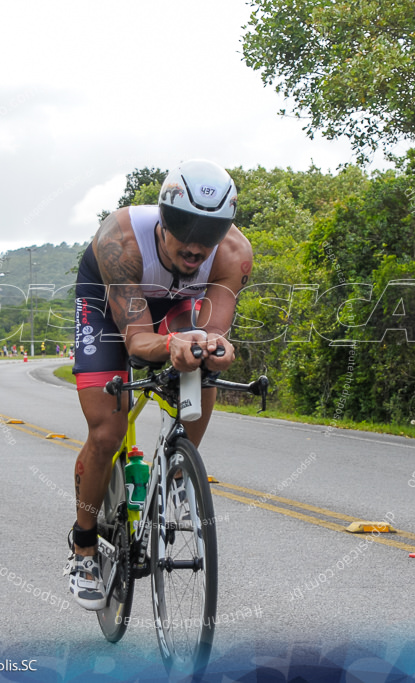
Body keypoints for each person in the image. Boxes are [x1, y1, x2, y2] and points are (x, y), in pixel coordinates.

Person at [66, 159, 252, 609]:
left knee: (201, 359)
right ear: (164, 220)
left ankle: (180, 472)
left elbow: (215, 334)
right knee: (107, 432)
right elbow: (136, 341)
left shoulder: (233, 254)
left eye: (206, 237)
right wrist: (169, 346)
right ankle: (84, 545)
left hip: (176, 305)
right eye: (184, 232)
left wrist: (217, 350)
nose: (195, 248)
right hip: (112, 299)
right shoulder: (120, 239)